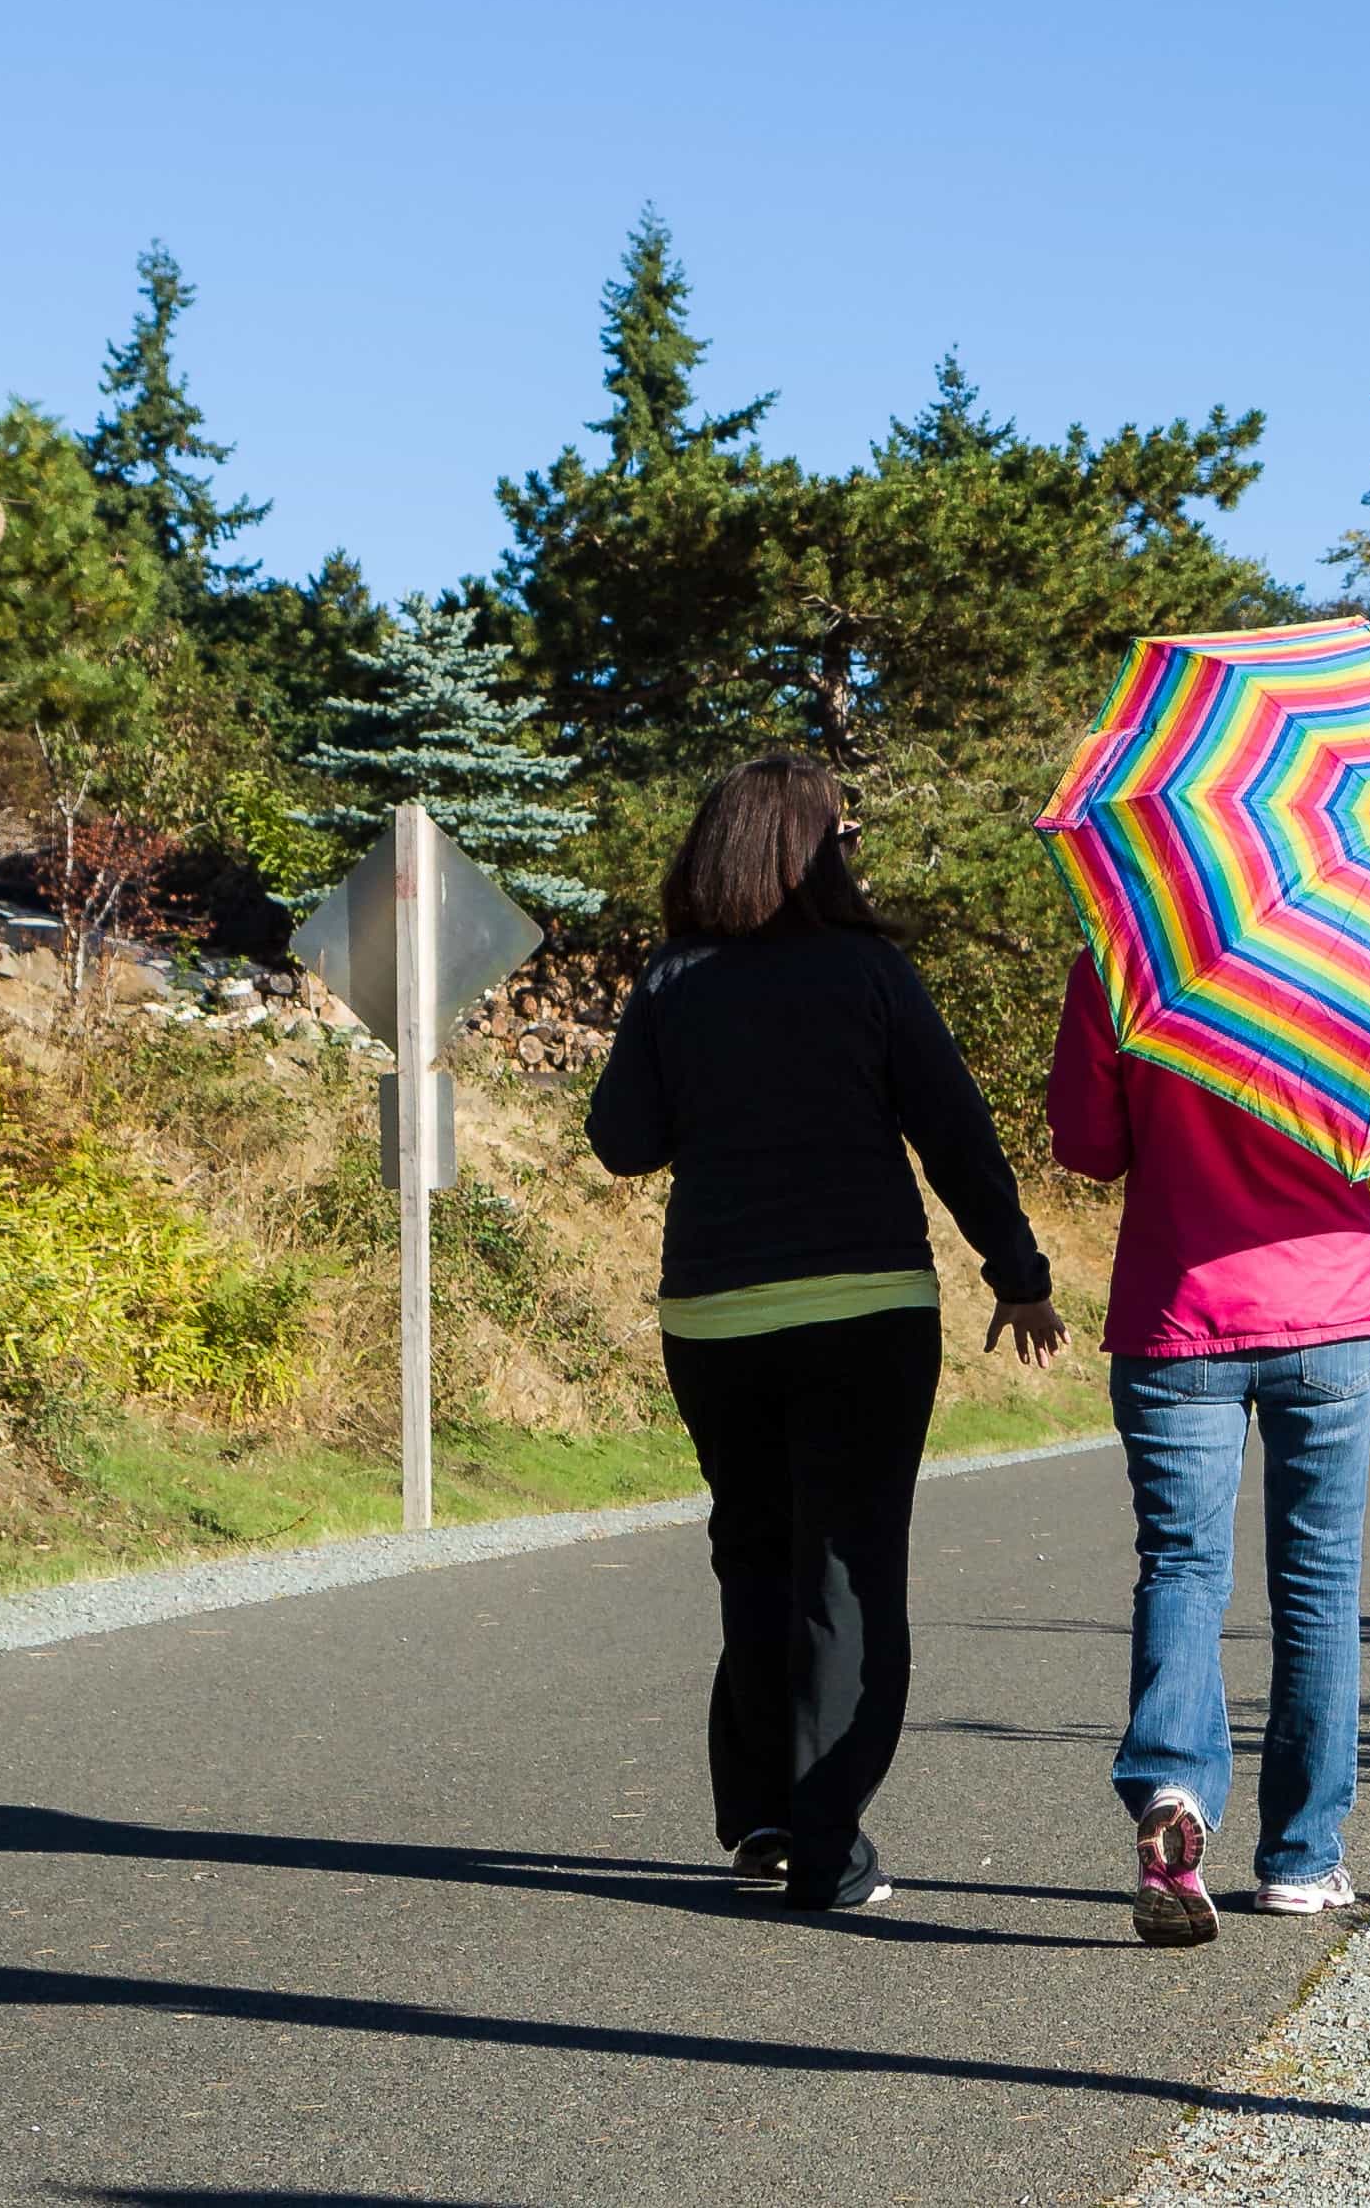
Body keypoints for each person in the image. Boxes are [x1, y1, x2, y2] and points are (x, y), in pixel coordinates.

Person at [588, 752, 1067, 1914]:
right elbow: (954, 1132)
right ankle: (824, 1843)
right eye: (844, 834)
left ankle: (760, 1812)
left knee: (752, 1555)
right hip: (864, 1315)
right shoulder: (870, 973)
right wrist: (1018, 1274)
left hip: (715, 1314)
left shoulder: (676, 977)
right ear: (818, 853)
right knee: (845, 1574)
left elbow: (621, 1141)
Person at [1048, 950, 1370, 1948]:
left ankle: (1172, 1783)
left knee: (1182, 1565)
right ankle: (1300, 1859)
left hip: (1178, 1312)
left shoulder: (1123, 954)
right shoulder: (1367, 952)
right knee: (1319, 1584)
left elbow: (1087, 1147)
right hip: (1329, 1314)